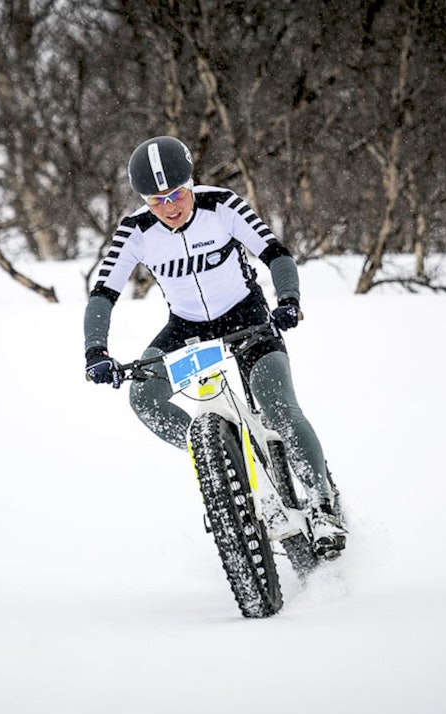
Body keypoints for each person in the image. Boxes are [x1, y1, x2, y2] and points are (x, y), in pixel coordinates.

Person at [83, 136, 346, 556]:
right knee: (144, 397)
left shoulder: (221, 205)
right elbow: (103, 294)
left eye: (176, 194)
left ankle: (322, 505)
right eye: (156, 200)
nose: (169, 207)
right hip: (186, 330)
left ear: (191, 183)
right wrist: (95, 351)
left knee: (277, 404)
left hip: (249, 319)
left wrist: (289, 301)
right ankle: (218, 459)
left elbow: (275, 253)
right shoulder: (135, 230)